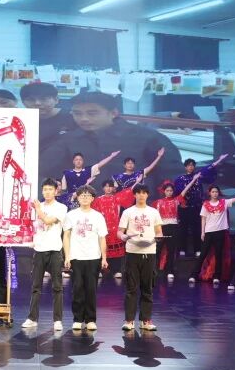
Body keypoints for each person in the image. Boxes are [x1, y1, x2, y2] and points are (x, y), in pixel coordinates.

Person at [41, 91, 183, 208]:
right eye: (77, 113)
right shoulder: (70, 139)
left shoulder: (147, 138)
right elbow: (44, 166)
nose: (83, 119)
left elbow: (173, 176)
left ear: (113, 113)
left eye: (92, 113)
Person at [23, 178, 69, 331]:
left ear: (56, 191)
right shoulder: (38, 206)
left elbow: (48, 221)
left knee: (57, 287)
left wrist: (37, 209)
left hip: (54, 250)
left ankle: (57, 320)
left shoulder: (61, 207)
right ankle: (32, 318)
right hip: (39, 249)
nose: (47, 192)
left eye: (50, 189)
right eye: (45, 189)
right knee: (36, 286)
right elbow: (31, 226)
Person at [172, 154, 230, 271]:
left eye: (192, 165)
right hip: (184, 207)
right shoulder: (180, 179)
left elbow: (208, 169)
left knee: (197, 229)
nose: (191, 167)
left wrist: (219, 160)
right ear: (185, 167)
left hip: (196, 207)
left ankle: (197, 249)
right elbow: (177, 193)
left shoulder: (198, 176)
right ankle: (182, 249)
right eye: (189, 165)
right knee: (183, 229)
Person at [63, 185, 108, 331]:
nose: (84, 197)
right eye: (82, 195)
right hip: (76, 256)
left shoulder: (98, 216)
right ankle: (77, 319)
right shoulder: (71, 215)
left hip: (93, 257)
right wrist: (67, 256)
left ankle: (90, 319)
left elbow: (102, 238)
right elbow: (66, 236)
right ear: (77, 197)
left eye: (88, 195)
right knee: (77, 288)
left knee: (91, 289)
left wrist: (104, 258)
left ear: (92, 198)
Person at [118, 184, 163, 332]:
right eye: (138, 193)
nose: (141, 195)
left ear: (148, 195)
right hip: (132, 252)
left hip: (149, 252)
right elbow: (120, 232)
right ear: (134, 195)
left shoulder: (154, 212)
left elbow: (159, 232)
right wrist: (124, 237)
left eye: (144, 192)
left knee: (147, 288)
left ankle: (146, 320)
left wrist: (158, 238)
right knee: (131, 288)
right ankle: (129, 320)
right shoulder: (128, 212)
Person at [192, 183, 235, 286]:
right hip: (209, 232)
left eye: (216, 192)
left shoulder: (224, 202)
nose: (215, 193)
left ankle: (217, 276)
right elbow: (203, 219)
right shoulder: (205, 204)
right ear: (210, 193)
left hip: (220, 232)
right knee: (203, 254)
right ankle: (194, 275)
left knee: (218, 254)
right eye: (213, 192)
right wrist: (202, 232)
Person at [153, 177, 196, 276]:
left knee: (171, 250)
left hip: (174, 228)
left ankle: (169, 271)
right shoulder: (158, 202)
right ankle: (154, 270)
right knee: (157, 249)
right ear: (164, 191)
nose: (169, 192)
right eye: (167, 190)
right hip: (161, 228)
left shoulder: (176, 200)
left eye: (171, 191)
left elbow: (185, 190)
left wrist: (194, 179)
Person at [92, 179, 135, 277]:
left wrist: (138, 181)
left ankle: (117, 270)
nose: (108, 188)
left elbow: (130, 191)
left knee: (117, 251)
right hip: (102, 228)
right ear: (103, 188)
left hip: (115, 228)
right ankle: (100, 270)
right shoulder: (98, 200)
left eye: (110, 186)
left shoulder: (117, 198)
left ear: (113, 188)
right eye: (106, 186)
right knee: (101, 248)